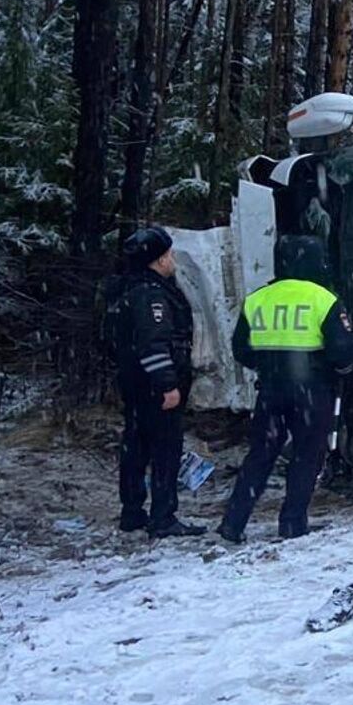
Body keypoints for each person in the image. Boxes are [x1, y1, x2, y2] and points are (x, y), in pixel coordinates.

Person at [218, 234, 353, 543]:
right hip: (312, 391)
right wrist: (338, 372)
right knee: (307, 454)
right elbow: (343, 351)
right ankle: (293, 522)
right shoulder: (324, 299)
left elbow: (240, 348)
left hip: (270, 390)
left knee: (260, 455)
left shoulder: (257, 299)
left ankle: (233, 522)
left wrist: (268, 367)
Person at [114, 226, 206, 539]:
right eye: (168, 255)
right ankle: (163, 517)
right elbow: (153, 343)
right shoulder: (152, 296)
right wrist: (167, 385)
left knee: (135, 447)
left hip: (133, 383)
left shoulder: (126, 288)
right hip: (154, 386)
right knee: (165, 450)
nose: (173, 260)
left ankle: (132, 512)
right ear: (158, 259)